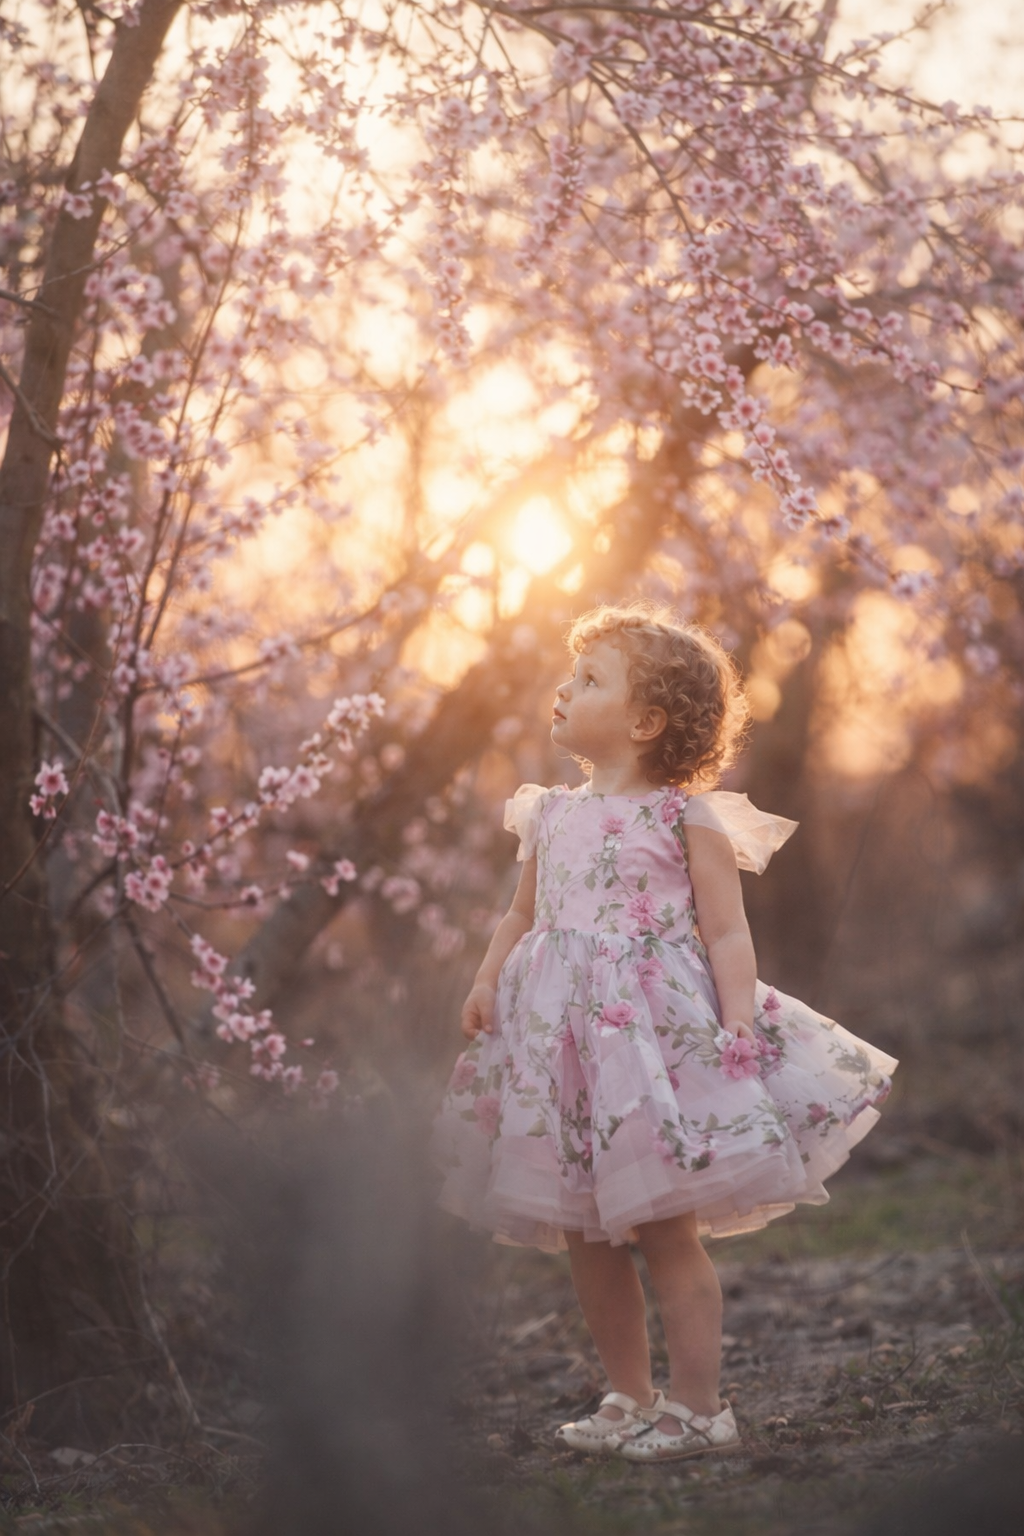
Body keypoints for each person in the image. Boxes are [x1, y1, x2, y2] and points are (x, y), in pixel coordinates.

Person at [431, 604, 896, 1463]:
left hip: (651, 1048)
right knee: (583, 1229)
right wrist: (486, 978)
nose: (566, 689)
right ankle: (628, 1394)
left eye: (591, 680)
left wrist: (737, 1018)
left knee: (664, 1225)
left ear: (644, 723)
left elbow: (725, 932)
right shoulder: (549, 814)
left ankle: (698, 1404)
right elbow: (521, 914)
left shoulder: (686, 820)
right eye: (572, 676)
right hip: (559, 1050)